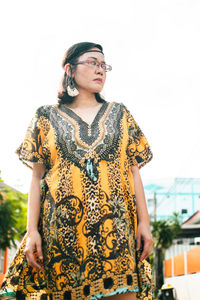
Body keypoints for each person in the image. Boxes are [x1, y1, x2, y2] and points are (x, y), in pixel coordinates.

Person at [0, 42, 154, 300]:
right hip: (64, 236)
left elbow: (134, 171)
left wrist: (145, 223)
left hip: (116, 231)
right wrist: (32, 231)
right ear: (70, 69)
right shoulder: (45, 117)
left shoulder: (120, 113)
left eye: (104, 65)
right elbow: (36, 177)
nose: (100, 70)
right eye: (93, 62)